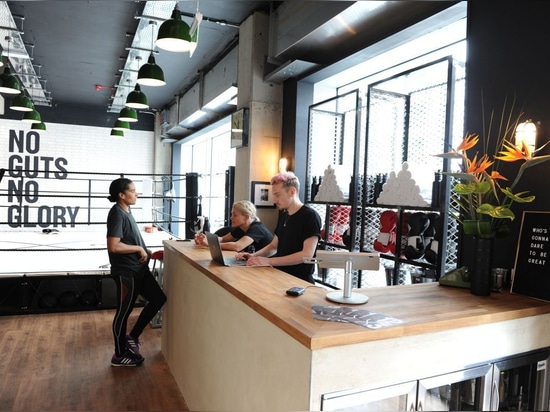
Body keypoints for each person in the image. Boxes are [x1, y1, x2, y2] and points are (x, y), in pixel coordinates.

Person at [106, 177, 167, 367]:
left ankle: (132, 337)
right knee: (123, 312)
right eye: (132, 190)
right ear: (121, 195)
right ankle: (118, 355)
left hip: (138, 269)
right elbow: (113, 246)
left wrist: (144, 248)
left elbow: (129, 238)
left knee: (158, 298)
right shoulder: (117, 213)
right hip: (127, 272)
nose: (136, 193)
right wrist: (138, 249)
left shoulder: (127, 210)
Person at [236, 172, 321, 284]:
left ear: (292, 191)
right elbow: (273, 246)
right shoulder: (284, 216)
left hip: (300, 281)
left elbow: (306, 255)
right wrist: (253, 256)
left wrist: (269, 261)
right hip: (280, 276)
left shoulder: (310, 216)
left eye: (277, 195)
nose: (275, 200)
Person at [194, 200, 273, 253]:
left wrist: (210, 245)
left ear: (246, 217)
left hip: (271, 269)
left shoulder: (257, 229)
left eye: (235, 215)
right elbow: (223, 239)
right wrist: (205, 238)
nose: (231, 217)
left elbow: (237, 246)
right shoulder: (242, 227)